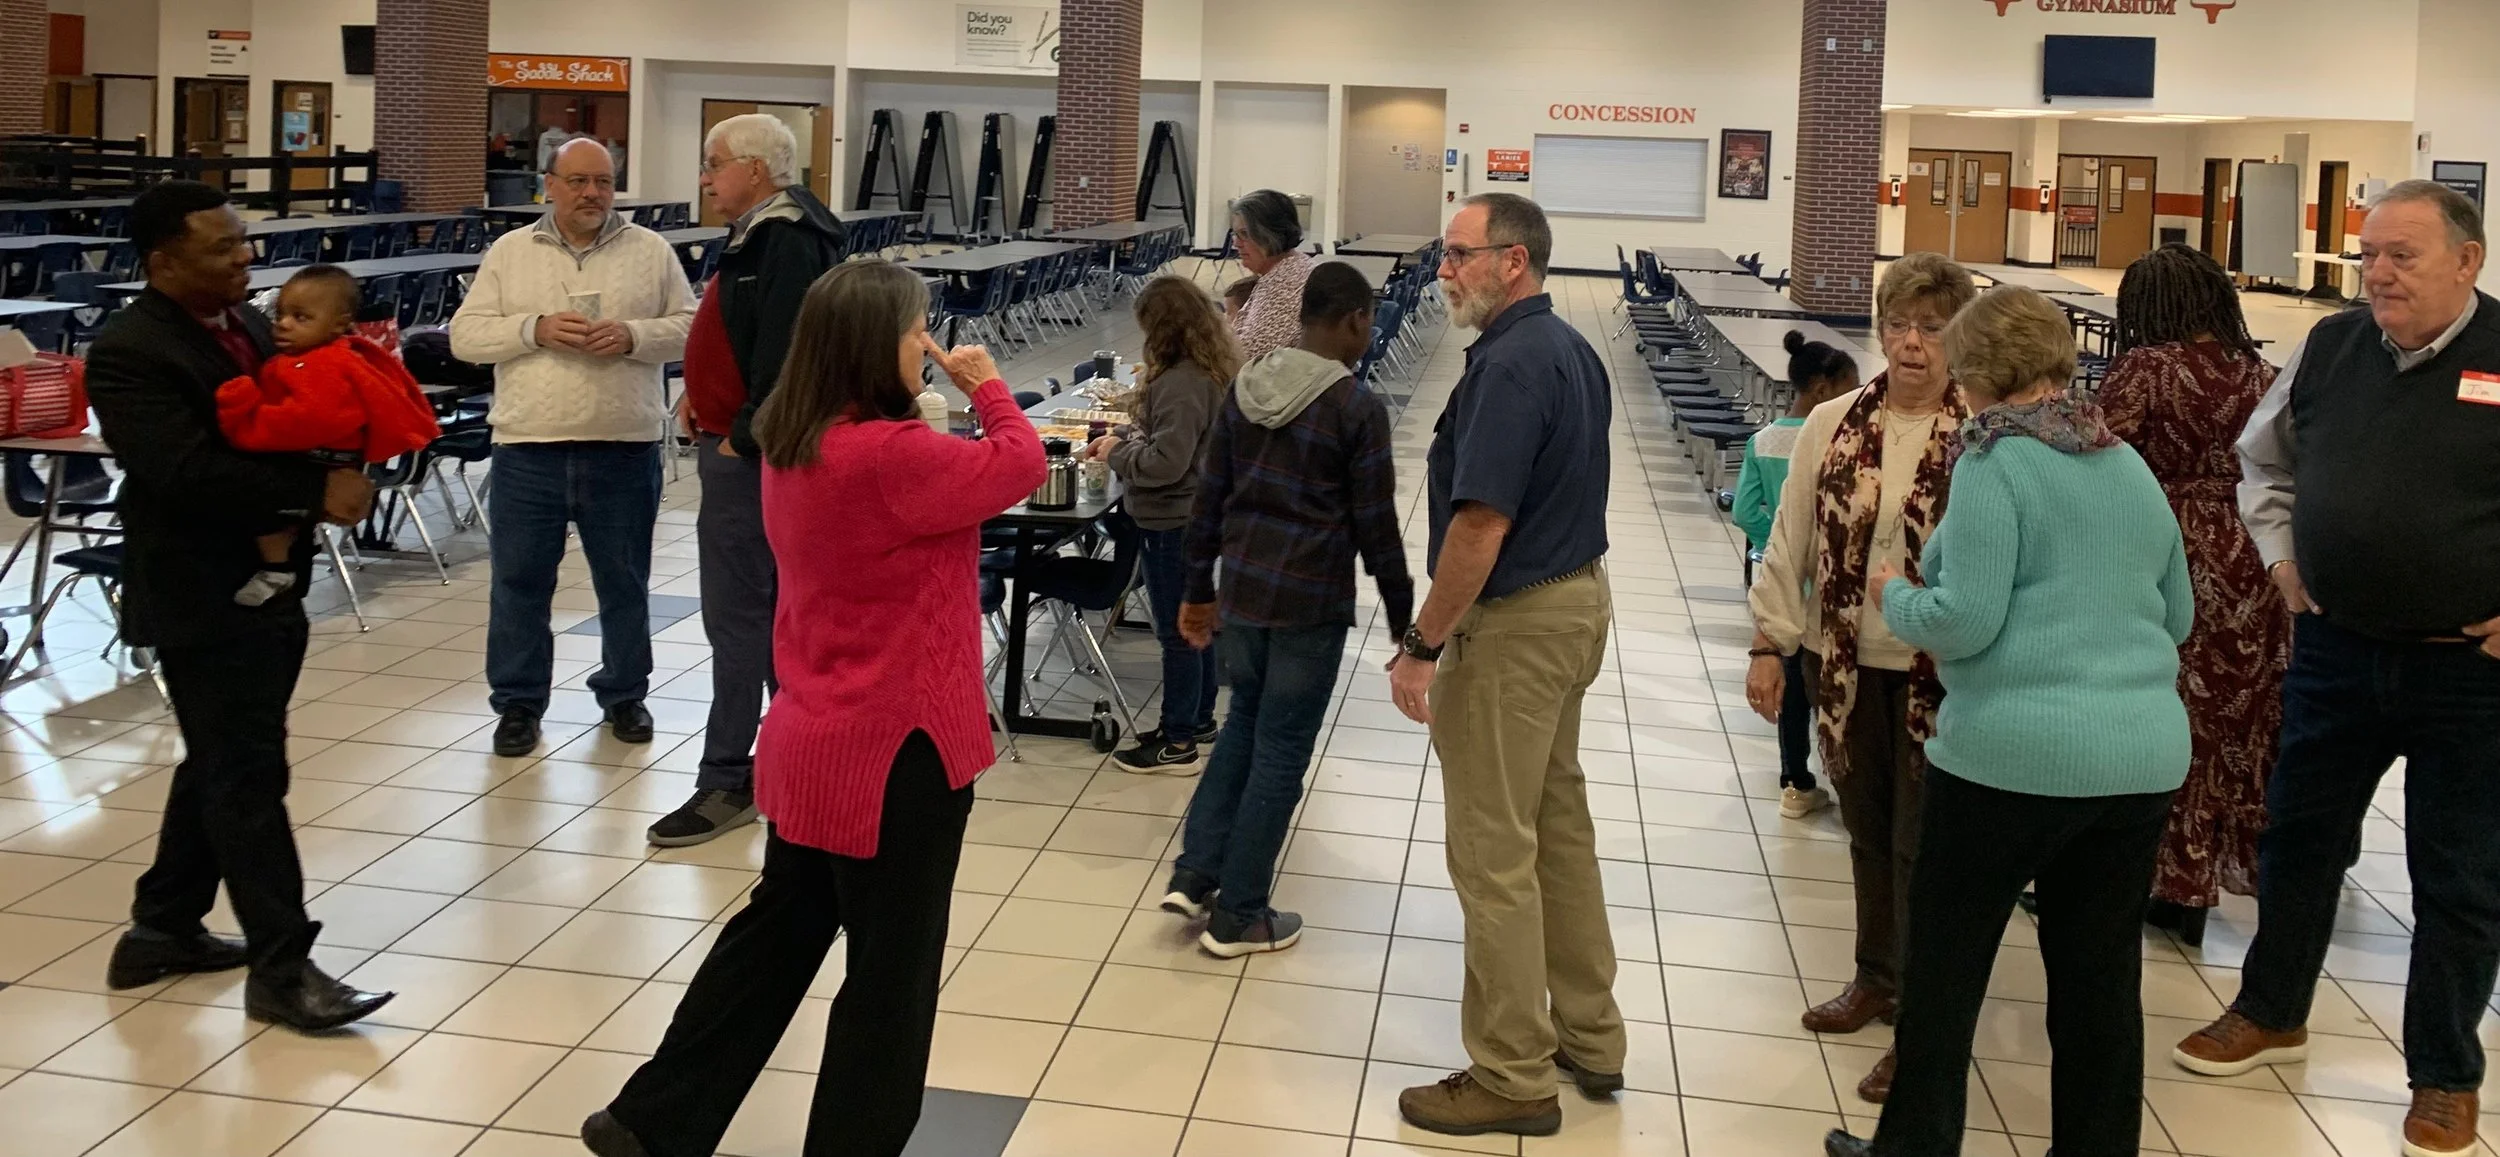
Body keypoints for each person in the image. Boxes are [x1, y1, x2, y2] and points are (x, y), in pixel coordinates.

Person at [582, 262, 1044, 1157]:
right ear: (878, 343)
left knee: (774, 940)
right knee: (890, 976)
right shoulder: (892, 456)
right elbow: (1017, 464)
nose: (928, 343)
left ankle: (655, 1116)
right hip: (897, 753)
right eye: (918, 329)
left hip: (811, 736)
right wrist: (988, 387)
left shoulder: (796, 438)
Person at [1821, 286, 2195, 1157]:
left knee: (1946, 974)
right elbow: (2176, 614)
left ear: (1976, 368)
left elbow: (1966, 620)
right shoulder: (2122, 460)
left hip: (2012, 760)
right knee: (2099, 983)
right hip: (2138, 760)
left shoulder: (1996, 463)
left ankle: (1911, 1148)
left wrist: (1897, 596)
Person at [2173, 179, 2500, 1157]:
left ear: (2467, 261)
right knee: (2300, 840)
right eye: (2368, 255)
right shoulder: (2330, 347)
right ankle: (2271, 1007)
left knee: (2458, 875)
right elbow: (2260, 460)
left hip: (2467, 674)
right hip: (2336, 647)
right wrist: (2278, 557)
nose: (2377, 273)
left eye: (2401, 254)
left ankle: (2442, 1074)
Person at [85, 180, 393, 1032]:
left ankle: (162, 928)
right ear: (163, 262)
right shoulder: (130, 350)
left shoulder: (254, 325)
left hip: (271, 581)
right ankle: (283, 967)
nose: (245, 258)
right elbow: (183, 471)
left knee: (224, 757)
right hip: (199, 589)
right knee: (249, 773)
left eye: (243, 240)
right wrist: (312, 488)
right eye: (222, 249)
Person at [1387, 193, 1617, 1138]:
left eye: (1457, 255)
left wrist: (1421, 645)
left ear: (1511, 261)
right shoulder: (1565, 348)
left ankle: (1513, 1072)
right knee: (1555, 824)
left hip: (1517, 626)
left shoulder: (1514, 367)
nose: (1442, 270)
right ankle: (1591, 1033)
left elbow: (1480, 526)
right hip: (1574, 606)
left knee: (1492, 851)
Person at [1746, 252, 1979, 1104]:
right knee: (1869, 831)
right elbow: (1790, 537)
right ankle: (1874, 975)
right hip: (1844, 661)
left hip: (1943, 674)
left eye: (1932, 327)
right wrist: (1770, 642)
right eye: (1899, 324)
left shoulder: (1982, 432)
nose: (1912, 343)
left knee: (1928, 847)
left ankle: (1923, 1018)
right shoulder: (1834, 422)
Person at [1160, 261, 1410, 955]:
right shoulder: (1355, 408)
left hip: (1241, 594)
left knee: (1242, 725)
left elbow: (1209, 500)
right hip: (1309, 606)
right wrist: (1406, 622)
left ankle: (1196, 870)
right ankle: (1240, 914)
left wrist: (1197, 592)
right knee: (1279, 754)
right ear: (1357, 320)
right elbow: (1375, 528)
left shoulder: (1246, 386)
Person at [450, 137, 695, 759]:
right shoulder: (511, 252)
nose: (592, 194)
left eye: (604, 183)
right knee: (520, 585)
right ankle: (519, 705)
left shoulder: (650, 250)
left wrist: (634, 334)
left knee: (624, 581)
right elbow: (465, 337)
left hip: (622, 446)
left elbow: (691, 327)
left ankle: (624, 694)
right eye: (579, 182)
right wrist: (534, 329)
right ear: (549, 185)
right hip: (528, 448)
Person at [652, 112, 848, 847]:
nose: (704, 178)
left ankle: (728, 776)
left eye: (714, 164)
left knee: (740, 620)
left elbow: (788, 355)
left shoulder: (785, 238)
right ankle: (789, 760)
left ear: (758, 170)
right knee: (757, 621)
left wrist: (740, 432)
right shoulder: (764, 232)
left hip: (755, 458)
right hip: (743, 446)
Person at [2095, 243, 2288, 949]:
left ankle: (2163, 880)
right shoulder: (2263, 374)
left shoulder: (2148, 370)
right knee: (2232, 724)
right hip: (2255, 554)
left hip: (2169, 549)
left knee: (2163, 715)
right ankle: (2196, 887)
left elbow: (2094, 449)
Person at [213, 265, 442, 607]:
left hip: (318, 459)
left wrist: (243, 416)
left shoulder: (322, 363)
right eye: (281, 313)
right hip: (324, 460)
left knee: (263, 509)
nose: (284, 323)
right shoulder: (309, 355)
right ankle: (279, 565)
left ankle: (277, 568)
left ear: (339, 323)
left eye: (301, 317)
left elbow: (303, 421)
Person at [1090, 276, 1239, 771]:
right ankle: (1196, 719)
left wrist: (1117, 452)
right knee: (1195, 624)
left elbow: (1165, 464)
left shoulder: (1181, 383)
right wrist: (1132, 434)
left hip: (1173, 520)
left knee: (1177, 632)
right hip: (1194, 515)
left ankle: (1177, 742)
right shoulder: (1203, 372)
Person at [1730, 331, 1860, 820]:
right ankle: (1848, 779)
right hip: (1833, 583)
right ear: (1824, 389)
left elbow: (1744, 510)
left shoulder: (1763, 440)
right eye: (1851, 388)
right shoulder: (1842, 442)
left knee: (1793, 687)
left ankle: (1795, 781)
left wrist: (1776, 543)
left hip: (1783, 582)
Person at [1226, 189, 1315, 360]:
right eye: (1235, 234)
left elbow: (1249, 357)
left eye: (1245, 234)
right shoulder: (1290, 267)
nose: (1236, 243)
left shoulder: (1286, 284)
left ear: (1271, 235)